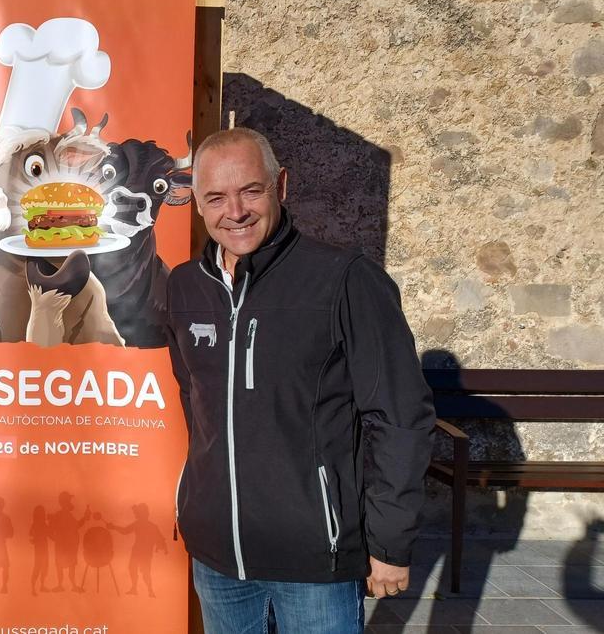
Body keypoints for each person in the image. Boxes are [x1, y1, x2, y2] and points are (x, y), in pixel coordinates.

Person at [166, 128, 434, 633]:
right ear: (198, 204)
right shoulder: (185, 287)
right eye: (216, 198)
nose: (236, 211)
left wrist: (390, 541)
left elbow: (398, 415)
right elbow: (196, 403)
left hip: (314, 556)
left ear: (281, 186)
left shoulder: (344, 279)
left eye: (251, 190)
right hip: (217, 556)